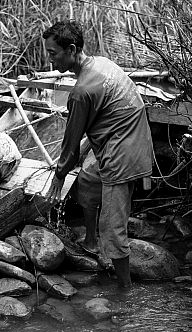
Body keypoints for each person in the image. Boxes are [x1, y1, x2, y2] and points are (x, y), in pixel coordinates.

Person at [42, 20, 153, 289]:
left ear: (71, 50)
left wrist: (59, 174)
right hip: (130, 140)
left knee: (113, 230)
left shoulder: (82, 92)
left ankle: (125, 290)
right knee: (89, 180)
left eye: (53, 53)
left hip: (123, 155)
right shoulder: (101, 63)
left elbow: (71, 139)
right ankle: (91, 242)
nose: (50, 60)